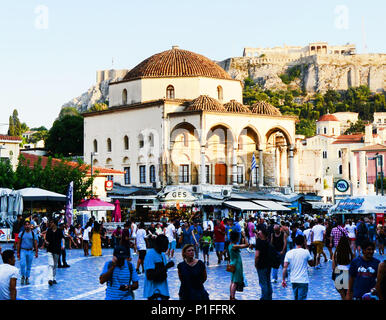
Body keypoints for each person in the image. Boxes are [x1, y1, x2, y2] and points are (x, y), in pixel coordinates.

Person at [282, 235, 315, 300]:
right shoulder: (306, 252)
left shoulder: (289, 253)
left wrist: (283, 280)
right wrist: (306, 247)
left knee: (296, 298)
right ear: (303, 242)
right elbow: (312, 264)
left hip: (293, 280)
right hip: (303, 280)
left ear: (295, 242)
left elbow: (285, 267)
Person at [143, 235, 174, 300]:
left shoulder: (162, 255)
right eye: (165, 245)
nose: (166, 247)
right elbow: (150, 275)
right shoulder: (150, 255)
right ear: (159, 245)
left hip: (163, 292)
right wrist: (166, 267)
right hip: (154, 292)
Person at [228, 231, 249, 300]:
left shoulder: (230, 245)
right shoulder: (234, 246)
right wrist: (244, 236)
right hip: (236, 265)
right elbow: (246, 245)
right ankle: (232, 297)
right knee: (235, 282)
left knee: (232, 281)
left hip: (232, 263)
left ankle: (231, 296)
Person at [17, 220, 38, 285]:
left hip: (30, 251)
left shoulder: (33, 234)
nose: (27, 226)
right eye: (25, 225)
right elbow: (18, 243)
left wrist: (36, 252)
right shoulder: (21, 233)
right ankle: (23, 276)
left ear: (30, 225)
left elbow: (35, 243)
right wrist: (18, 252)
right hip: (23, 250)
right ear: (24, 226)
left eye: (28, 224)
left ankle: (27, 278)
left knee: (29, 266)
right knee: (22, 264)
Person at [255, 226, 272, 300]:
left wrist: (255, 264)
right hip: (268, 264)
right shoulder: (268, 241)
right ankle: (269, 297)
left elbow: (257, 255)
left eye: (259, 231)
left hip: (261, 265)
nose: (258, 232)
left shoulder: (259, 242)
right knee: (268, 282)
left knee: (263, 283)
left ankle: (264, 298)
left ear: (263, 233)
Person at [45, 219, 64, 286]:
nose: (50, 223)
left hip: (57, 249)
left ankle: (53, 278)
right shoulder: (49, 231)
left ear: (55, 223)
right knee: (51, 264)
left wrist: (63, 245)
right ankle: (50, 279)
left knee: (55, 265)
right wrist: (46, 242)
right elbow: (46, 239)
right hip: (50, 249)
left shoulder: (59, 231)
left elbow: (62, 238)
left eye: (52, 222)